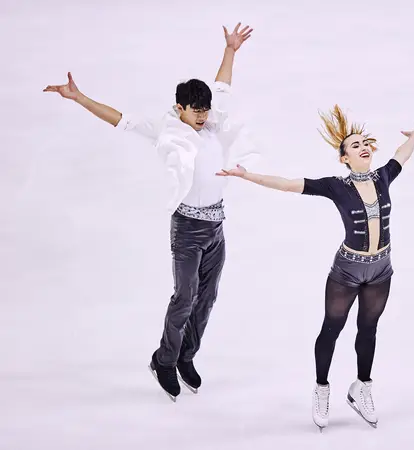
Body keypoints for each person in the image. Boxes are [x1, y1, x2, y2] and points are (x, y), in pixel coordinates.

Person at [43, 23, 260, 402]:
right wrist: (79, 98)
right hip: (188, 228)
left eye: (206, 110)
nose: (203, 116)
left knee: (207, 298)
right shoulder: (166, 128)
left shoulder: (212, 120)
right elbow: (121, 119)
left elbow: (222, 85)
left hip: (216, 227)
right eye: (196, 111)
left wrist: (230, 50)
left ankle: (186, 356)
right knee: (185, 297)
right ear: (180, 108)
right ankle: (164, 360)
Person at [217, 105, 414, 429]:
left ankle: (362, 387)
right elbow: (288, 184)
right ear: (344, 158)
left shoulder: (384, 176)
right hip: (347, 271)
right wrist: (247, 176)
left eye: (365, 143)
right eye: (354, 145)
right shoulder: (335, 186)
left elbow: (402, 155)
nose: (363, 147)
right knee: (332, 328)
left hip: (381, 269)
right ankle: (322, 388)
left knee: (368, 329)